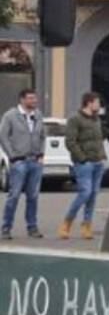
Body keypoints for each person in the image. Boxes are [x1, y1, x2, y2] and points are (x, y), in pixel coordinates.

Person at [60, 92, 107, 241]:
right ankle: (67, 222)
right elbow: (70, 142)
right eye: (97, 103)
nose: (99, 106)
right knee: (85, 193)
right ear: (89, 103)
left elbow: (99, 140)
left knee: (92, 195)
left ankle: (87, 226)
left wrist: (103, 156)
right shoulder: (75, 119)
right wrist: (82, 159)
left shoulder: (96, 119)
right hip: (84, 164)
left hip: (98, 162)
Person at [0, 88, 46, 240]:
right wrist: (12, 156)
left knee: (33, 196)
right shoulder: (10, 115)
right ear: (22, 100)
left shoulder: (38, 114)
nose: (34, 101)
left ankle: (32, 227)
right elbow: (3, 136)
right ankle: (6, 227)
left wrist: (41, 154)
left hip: (35, 161)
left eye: (35, 98)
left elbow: (42, 136)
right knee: (14, 196)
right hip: (19, 161)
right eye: (31, 98)